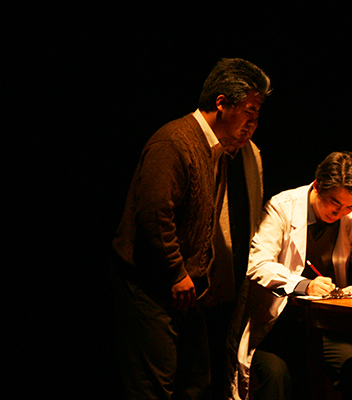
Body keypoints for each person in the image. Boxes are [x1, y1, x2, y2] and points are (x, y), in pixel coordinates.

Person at [109, 57, 270, 399]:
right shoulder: (175, 142)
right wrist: (176, 272)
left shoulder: (218, 150)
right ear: (221, 103)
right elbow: (154, 216)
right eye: (249, 111)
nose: (253, 123)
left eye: (257, 115)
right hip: (151, 287)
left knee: (196, 384)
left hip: (186, 293)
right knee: (153, 387)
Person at [233, 152, 352, 400]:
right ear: (317, 186)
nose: (340, 212)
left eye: (349, 206)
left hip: (323, 327)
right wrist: (305, 285)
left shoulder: (351, 212)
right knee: (275, 377)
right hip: (278, 326)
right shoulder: (282, 207)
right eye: (335, 203)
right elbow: (259, 264)